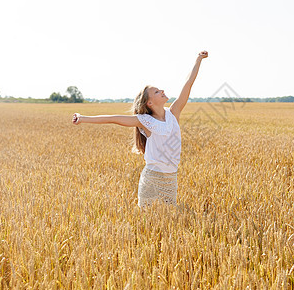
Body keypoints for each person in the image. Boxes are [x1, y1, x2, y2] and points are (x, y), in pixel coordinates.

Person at [72, 50, 208, 207]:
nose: (162, 91)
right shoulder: (145, 121)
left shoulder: (174, 113)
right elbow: (112, 119)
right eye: (157, 92)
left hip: (171, 179)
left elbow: (188, 83)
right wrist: (82, 118)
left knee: (170, 220)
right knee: (147, 221)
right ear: (149, 103)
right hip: (151, 179)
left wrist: (198, 60)